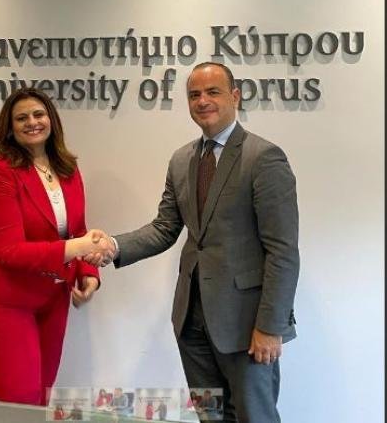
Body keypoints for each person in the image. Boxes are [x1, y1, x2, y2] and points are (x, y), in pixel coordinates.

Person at [88, 62, 300, 422]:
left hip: (246, 325)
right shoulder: (182, 160)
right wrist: (113, 245)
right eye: (194, 94)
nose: (203, 101)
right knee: (210, 416)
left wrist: (271, 326)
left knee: (255, 416)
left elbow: (283, 251)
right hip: (192, 323)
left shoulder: (264, 158)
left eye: (213, 92)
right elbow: (165, 228)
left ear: (235, 96)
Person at [0, 87, 110, 405]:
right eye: (22, 118)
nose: (32, 122)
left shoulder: (67, 168)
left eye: (38, 114)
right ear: (9, 127)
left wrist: (88, 273)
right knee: (17, 404)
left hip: (52, 299)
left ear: (51, 120)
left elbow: (76, 230)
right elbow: (7, 250)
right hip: (4, 303)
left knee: (41, 401)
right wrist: (79, 247)